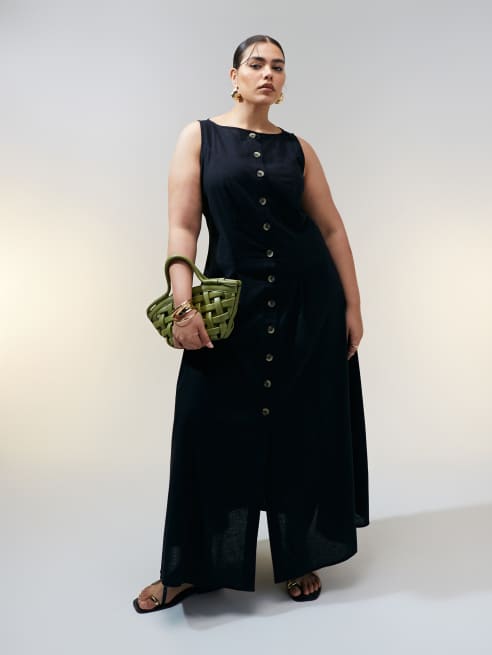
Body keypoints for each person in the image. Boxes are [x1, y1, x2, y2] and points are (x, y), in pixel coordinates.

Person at [133, 34, 369, 613]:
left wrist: (352, 306)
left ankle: (297, 554)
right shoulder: (199, 137)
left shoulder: (299, 150)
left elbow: (332, 228)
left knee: (300, 431)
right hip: (232, 313)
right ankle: (188, 568)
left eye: (278, 67)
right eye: (257, 64)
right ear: (234, 74)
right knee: (205, 430)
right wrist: (183, 304)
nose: (268, 73)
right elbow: (183, 227)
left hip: (306, 308)